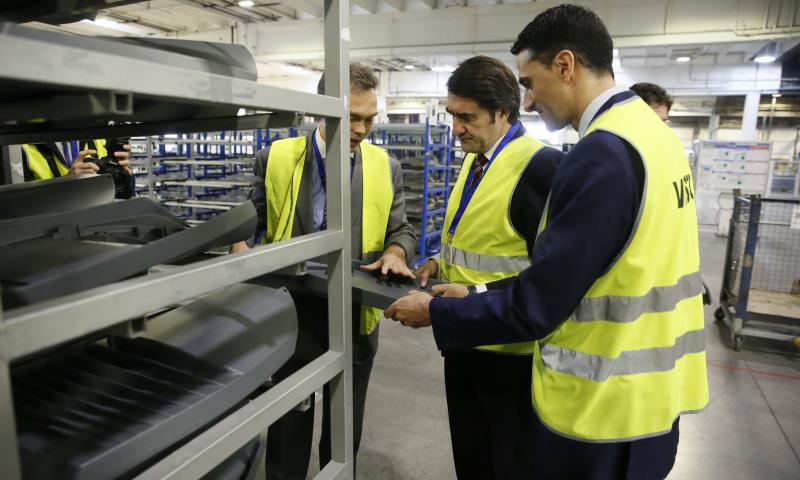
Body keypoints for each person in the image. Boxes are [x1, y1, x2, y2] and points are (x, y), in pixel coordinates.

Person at [385, 4, 709, 479]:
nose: (530, 103)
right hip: (653, 403)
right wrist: (472, 290)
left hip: (601, 412)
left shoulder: (601, 154)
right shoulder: (654, 139)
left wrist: (436, 311)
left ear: (565, 65)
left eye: (531, 84)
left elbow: (539, 301)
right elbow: (583, 273)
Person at [231, 63, 417, 479]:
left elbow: (403, 228)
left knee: (343, 428)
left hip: (355, 315)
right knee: (288, 425)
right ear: (322, 109)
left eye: (370, 119)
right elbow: (251, 221)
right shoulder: (275, 158)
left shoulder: (385, 166)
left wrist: (396, 250)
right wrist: (239, 249)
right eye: (352, 117)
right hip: (291, 313)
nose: (362, 129)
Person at [414, 55, 562, 479]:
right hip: (464, 343)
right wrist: (438, 262)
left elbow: (551, 278)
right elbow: (487, 240)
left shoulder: (541, 168)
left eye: (467, 117)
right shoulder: (475, 160)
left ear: (503, 113)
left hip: (510, 358)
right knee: (473, 462)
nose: (456, 128)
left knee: (508, 466)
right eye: (452, 116)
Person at [19, 139, 134, 198]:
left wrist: (125, 175)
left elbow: (124, 194)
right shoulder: (20, 147)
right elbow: (21, 208)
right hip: (53, 232)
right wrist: (66, 184)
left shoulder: (100, 137)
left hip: (97, 224)